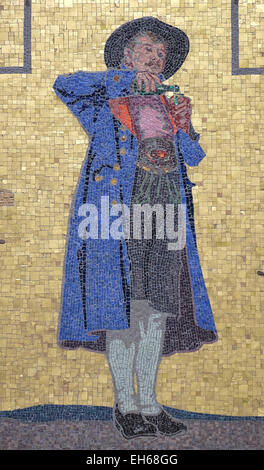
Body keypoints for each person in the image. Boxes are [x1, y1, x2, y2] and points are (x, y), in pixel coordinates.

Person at [53, 17, 218, 439]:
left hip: (165, 214)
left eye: (161, 54)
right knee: (122, 313)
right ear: (127, 55)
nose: (156, 57)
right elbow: (64, 83)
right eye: (147, 49)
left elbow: (192, 155)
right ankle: (126, 405)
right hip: (116, 218)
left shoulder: (167, 101)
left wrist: (186, 123)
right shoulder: (104, 96)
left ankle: (149, 403)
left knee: (157, 312)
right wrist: (127, 79)